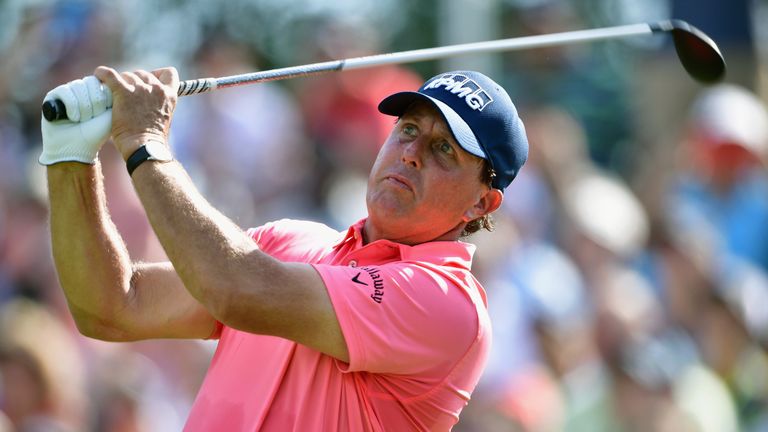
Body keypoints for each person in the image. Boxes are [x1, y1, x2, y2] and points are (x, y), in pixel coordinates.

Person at [38, 66, 528, 430]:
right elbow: (114, 306)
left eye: (444, 149)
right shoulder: (289, 241)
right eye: (408, 129)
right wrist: (69, 159)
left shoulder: (449, 304)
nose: (411, 154)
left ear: (482, 203)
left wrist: (146, 144)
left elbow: (236, 289)